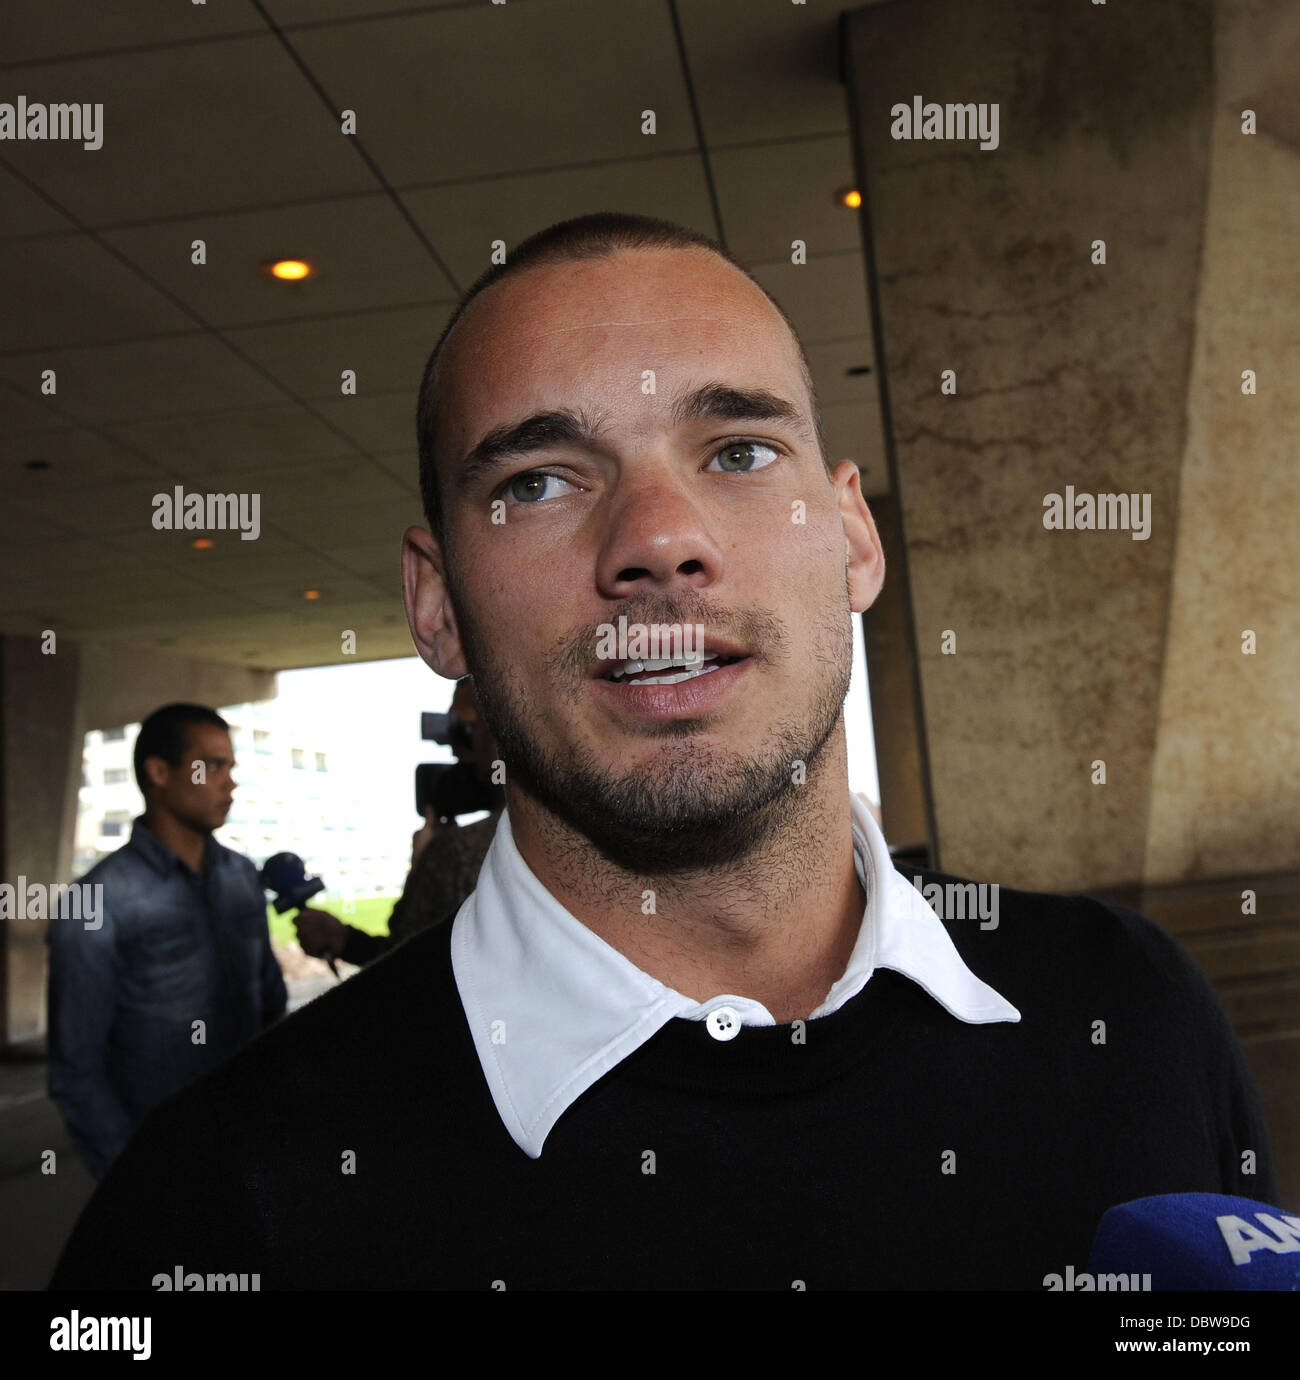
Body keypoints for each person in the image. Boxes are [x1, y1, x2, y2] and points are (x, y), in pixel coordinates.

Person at [49, 214, 1276, 1289]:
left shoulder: (1135, 1011)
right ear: (436, 606)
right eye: (537, 481)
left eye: (737, 452)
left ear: (851, 536)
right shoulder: (214, 1209)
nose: (660, 538)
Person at [46, 703, 286, 1181]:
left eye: (231, 767)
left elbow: (270, 1004)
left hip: (252, 1152)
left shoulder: (241, 877)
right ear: (158, 772)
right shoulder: (98, 901)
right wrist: (130, 1181)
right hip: (161, 1166)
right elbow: (77, 1067)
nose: (230, 783)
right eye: (212, 766)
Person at [292, 678, 502, 968]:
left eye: (472, 730)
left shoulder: (458, 852)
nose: (461, 752)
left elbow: (410, 970)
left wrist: (424, 864)